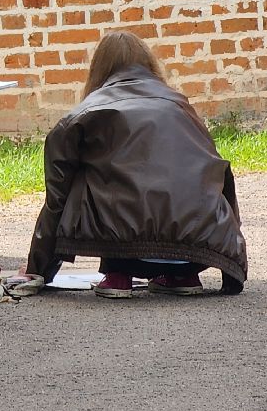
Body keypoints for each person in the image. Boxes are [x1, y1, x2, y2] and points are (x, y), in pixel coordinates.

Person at [23, 31, 247, 298]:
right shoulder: (180, 106)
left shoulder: (85, 113)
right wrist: (233, 260)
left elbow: (57, 198)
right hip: (194, 242)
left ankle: (118, 275)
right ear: (150, 64)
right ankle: (182, 275)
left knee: (80, 174)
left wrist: (38, 269)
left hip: (122, 245)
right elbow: (219, 174)